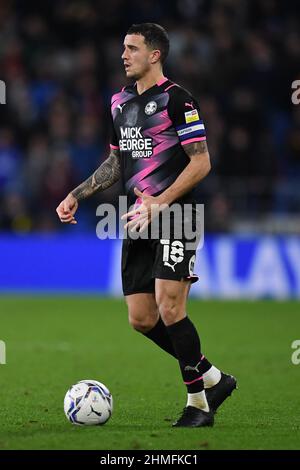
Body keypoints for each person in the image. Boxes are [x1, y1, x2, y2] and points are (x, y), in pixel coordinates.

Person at [56, 23, 236, 427]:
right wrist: (76, 194)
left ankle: (199, 405)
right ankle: (213, 377)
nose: (124, 55)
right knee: (141, 318)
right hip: (139, 217)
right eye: (123, 48)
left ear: (155, 55)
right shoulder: (119, 102)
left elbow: (201, 161)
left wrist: (161, 202)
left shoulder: (178, 101)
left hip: (178, 214)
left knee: (171, 308)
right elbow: (117, 161)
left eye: (132, 48)